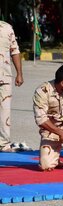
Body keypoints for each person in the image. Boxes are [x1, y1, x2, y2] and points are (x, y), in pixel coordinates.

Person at [0, 21, 24, 152]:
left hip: (4, 77)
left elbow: (15, 51)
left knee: (5, 111)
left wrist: (19, 73)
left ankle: (3, 143)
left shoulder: (7, 27)